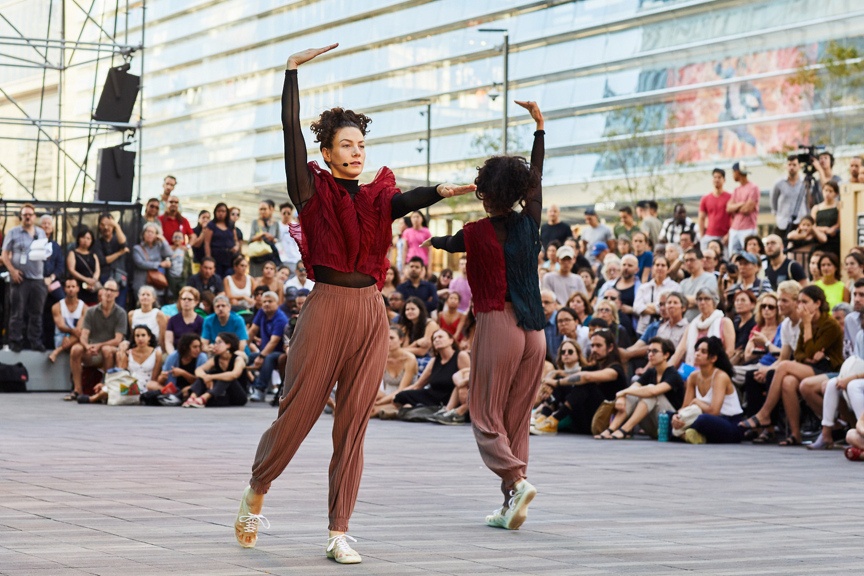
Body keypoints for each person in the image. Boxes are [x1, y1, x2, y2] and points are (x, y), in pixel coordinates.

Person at [238, 43, 475, 563]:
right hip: (326, 306)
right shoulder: (311, 191)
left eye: (362, 145)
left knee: (354, 423)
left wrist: (445, 189)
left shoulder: (376, 198)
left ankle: (338, 530)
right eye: (347, 145)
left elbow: (409, 199)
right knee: (298, 412)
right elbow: (288, 129)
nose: (357, 152)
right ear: (328, 152)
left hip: (371, 311)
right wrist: (291, 73)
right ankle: (258, 487)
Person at [423, 99, 546, 532]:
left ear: (482, 192)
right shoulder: (531, 219)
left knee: (485, 414)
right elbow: (537, 182)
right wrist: (539, 129)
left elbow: (449, 242)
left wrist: (434, 241)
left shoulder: (474, 233)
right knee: (516, 418)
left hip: (499, 322)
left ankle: (515, 479)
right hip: (536, 333)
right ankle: (512, 501)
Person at [739, 285, 843, 445]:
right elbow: (801, 353)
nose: (801, 306)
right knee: (788, 382)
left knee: (784, 367)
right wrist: (809, 356)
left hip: (828, 367)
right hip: (809, 366)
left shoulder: (829, 324)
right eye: (799, 301)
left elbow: (805, 353)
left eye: (805, 302)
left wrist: (808, 328)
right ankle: (795, 434)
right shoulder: (798, 324)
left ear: (818, 303)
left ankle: (764, 414)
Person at [532, 329, 628, 436]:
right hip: (586, 418)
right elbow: (569, 374)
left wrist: (557, 382)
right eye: (592, 346)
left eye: (598, 346)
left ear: (610, 348)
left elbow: (585, 377)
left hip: (605, 422)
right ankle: (543, 418)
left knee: (585, 383)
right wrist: (554, 375)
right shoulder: (596, 367)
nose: (594, 349)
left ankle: (554, 420)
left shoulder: (615, 369)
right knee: (567, 382)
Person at [599, 337, 685, 439]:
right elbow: (633, 388)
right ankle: (611, 429)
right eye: (649, 351)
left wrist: (622, 392)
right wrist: (623, 396)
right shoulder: (651, 372)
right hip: (653, 427)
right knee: (634, 394)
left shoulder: (673, 374)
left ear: (666, 355)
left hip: (670, 426)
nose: (650, 354)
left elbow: (654, 391)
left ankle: (624, 430)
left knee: (650, 392)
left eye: (655, 351)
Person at [672, 336, 744, 444]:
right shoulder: (693, 376)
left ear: (713, 358)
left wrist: (696, 402)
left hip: (728, 422)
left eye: (703, 352)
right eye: (697, 350)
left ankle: (683, 434)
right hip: (703, 417)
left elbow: (714, 411)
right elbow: (685, 406)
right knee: (668, 417)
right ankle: (689, 434)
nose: (697, 354)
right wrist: (676, 416)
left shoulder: (720, 377)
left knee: (703, 420)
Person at [67, 280, 127, 402]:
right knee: (76, 349)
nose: (109, 293)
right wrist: (87, 346)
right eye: (107, 289)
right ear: (102, 291)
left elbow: (118, 339)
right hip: (92, 350)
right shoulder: (91, 311)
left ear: (117, 294)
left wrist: (99, 345)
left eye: (112, 290)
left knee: (106, 350)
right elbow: (84, 335)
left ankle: (105, 386)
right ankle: (77, 389)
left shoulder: (121, 313)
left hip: (108, 349)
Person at [1, 203, 48, 352]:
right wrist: (12, 271)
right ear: (21, 216)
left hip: (38, 279)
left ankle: (35, 341)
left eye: (30, 214)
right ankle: (15, 341)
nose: (28, 217)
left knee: (37, 313)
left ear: (34, 217)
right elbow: (4, 255)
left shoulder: (40, 233)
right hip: (20, 279)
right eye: (25, 214)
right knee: (17, 312)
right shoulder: (13, 232)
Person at [671, 288, 735, 369]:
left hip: (715, 369)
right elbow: (680, 351)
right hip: (692, 369)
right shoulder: (692, 326)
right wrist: (666, 370)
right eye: (700, 299)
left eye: (707, 299)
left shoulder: (725, 322)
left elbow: (730, 351)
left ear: (714, 302)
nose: (702, 302)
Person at [183, 332, 250, 408]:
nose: (215, 345)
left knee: (227, 376)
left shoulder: (238, 359)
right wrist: (205, 377)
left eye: (219, 342)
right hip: (223, 395)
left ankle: (204, 398)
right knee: (206, 374)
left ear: (228, 345)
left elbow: (234, 374)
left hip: (239, 397)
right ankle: (192, 397)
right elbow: (199, 370)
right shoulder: (215, 359)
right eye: (215, 343)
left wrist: (211, 377)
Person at [247, 291, 289, 402]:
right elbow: (252, 331)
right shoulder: (261, 312)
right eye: (264, 301)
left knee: (268, 358)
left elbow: (274, 342)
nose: (266, 304)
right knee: (246, 357)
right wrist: (242, 350)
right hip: (264, 351)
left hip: (279, 352)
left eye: (270, 301)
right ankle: (243, 387)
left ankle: (260, 390)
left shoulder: (281, 318)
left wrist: (261, 356)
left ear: (277, 303)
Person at [371, 326, 418, 419]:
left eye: (391, 338)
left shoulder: (410, 359)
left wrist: (379, 402)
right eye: (385, 337)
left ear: (401, 340)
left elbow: (402, 389)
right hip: (386, 395)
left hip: (403, 395)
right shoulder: (380, 358)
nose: (388, 341)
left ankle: (388, 410)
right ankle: (388, 410)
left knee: (370, 411)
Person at [633, 255, 680, 336]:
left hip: (666, 329)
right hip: (643, 329)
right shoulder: (644, 287)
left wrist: (648, 306)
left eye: (663, 265)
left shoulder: (675, 287)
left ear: (668, 269)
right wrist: (658, 307)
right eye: (657, 265)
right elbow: (637, 307)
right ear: (653, 268)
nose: (660, 268)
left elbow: (671, 308)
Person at [132, 223, 172, 304]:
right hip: (141, 283)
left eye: (152, 232)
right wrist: (159, 264)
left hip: (156, 283)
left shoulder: (159, 247)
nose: (149, 234)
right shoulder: (137, 248)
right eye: (147, 231)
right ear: (143, 234)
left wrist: (163, 240)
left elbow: (170, 254)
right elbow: (140, 263)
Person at [95, 213, 130, 305]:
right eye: (103, 224)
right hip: (105, 276)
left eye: (108, 224)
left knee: (120, 305)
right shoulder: (98, 242)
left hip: (120, 276)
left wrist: (116, 226)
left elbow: (124, 244)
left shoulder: (118, 237)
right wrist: (120, 253)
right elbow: (103, 261)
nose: (106, 227)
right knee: (104, 304)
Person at [160, 333, 208, 399]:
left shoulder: (202, 357)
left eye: (199, 347)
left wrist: (183, 373)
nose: (198, 350)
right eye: (194, 347)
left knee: (187, 390)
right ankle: (172, 396)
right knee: (151, 385)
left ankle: (172, 397)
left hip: (192, 387)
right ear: (185, 347)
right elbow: (161, 381)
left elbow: (200, 382)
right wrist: (162, 377)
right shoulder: (173, 357)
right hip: (173, 388)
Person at [49, 277, 85, 363]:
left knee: (83, 335)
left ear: (78, 289)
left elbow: (79, 329)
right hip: (61, 338)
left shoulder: (84, 307)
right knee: (81, 337)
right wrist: (68, 335)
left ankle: (57, 351)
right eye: (68, 287)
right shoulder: (57, 306)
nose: (71, 289)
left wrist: (69, 336)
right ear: (64, 289)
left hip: (76, 338)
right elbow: (61, 326)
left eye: (73, 286)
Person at [727, 161, 760, 254]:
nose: (733, 175)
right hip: (735, 229)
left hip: (748, 228)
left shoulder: (753, 188)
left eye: (733, 172)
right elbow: (728, 208)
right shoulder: (736, 190)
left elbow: (747, 209)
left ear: (737, 172)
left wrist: (735, 207)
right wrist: (742, 203)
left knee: (750, 256)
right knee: (733, 256)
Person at [771, 155, 807, 241]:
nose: (791, 167)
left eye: (794, 165)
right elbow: (773, 200)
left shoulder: (805, 183)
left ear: (799, 166)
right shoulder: (779, 183)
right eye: (789, 164)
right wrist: (778, 214)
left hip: (800, 221)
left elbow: (808, 201)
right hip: (783, 222)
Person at [679, 247, 719, 321]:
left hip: (705, 322)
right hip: (686, 323)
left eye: (692, 260)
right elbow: (679, 304)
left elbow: (703, 300)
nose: (688, 263)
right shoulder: (683, 283)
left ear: (702, 261)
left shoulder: (710, 278)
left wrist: (685, 301)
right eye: (686, 260)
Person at [698, 168, 731, 252]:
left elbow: (734, 218)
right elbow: (701, 218)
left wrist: (729, 234)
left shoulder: (730, 197)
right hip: (709, 236)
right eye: (715, 177)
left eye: (719, 177)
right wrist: (702, 235)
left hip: (724, 237)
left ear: (724, 180)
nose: (716, 179)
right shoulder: (705, 198)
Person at [67, 227, 102, 306]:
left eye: (88, 238)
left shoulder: (93, 255)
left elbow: (97, 270)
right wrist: (86, 279)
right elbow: (71, 270)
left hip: (92, 287)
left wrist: (94, 280)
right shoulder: (73, 253)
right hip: (79, 286)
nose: (85, 240)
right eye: (83, 237)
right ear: (79, 239)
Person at [203, 202, 239, 278]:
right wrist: (209, 258)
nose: (221, 213)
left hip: (229, 257)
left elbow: (236, 240)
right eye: (219, 211)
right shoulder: (211, 225)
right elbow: (207, 243)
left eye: (223, 211)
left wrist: (236, 247)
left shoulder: (230, 225)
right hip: (216, 256)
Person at [164, 286, 204, 355]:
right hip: (176, 352)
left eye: (189, 299)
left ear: (196, 302)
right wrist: (173, 355)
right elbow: (168, 342)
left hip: (194, 354)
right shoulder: (173, 320)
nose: (186, 301)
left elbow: (202, 342)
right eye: (183, 299)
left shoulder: (201, 321)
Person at [166, 231, 187, 303]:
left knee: (183, 294)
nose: (177, 239)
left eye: (179, 237)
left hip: (182, 277)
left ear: (183, 240)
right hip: (171, 277)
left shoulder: (185, 250)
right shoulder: (168, 249)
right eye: (175, 237)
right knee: (171, 295)